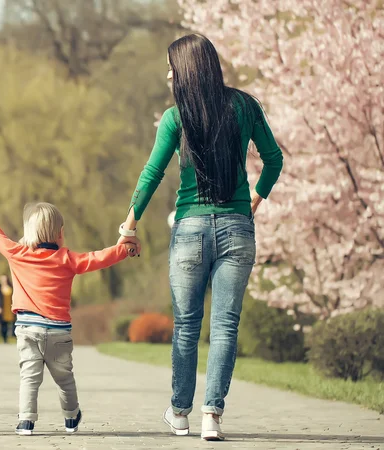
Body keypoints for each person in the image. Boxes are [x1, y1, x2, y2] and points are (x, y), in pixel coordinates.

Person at [117, 34, 283, 441]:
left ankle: (180, 413)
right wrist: (254, 202)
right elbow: (274, 160)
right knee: (225, 326)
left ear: (188, 69)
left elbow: (152, 174)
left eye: (172, 66)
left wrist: (129, 224)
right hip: (237, 229)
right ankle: (213, 415)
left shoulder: (176, 117)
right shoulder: (245, 106)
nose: (168, 73)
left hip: (190, 230)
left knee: (186, 326)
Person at [0, 202, 136, 435]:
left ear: (28, 232)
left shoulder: (16, 254)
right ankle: (71, 418)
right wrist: (124, 249)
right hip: (59, 332)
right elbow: (97, 258)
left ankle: (25, 421)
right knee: (64, 378)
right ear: (60, 233)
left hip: (28, 330)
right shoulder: (67, 259)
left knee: (29, 376)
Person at [0, 274, 15, 343]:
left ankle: (11, 336)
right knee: (3, 324)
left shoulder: (11, 287)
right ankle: (4, 338)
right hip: (2, 308)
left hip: (10, 307)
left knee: (11, 323)